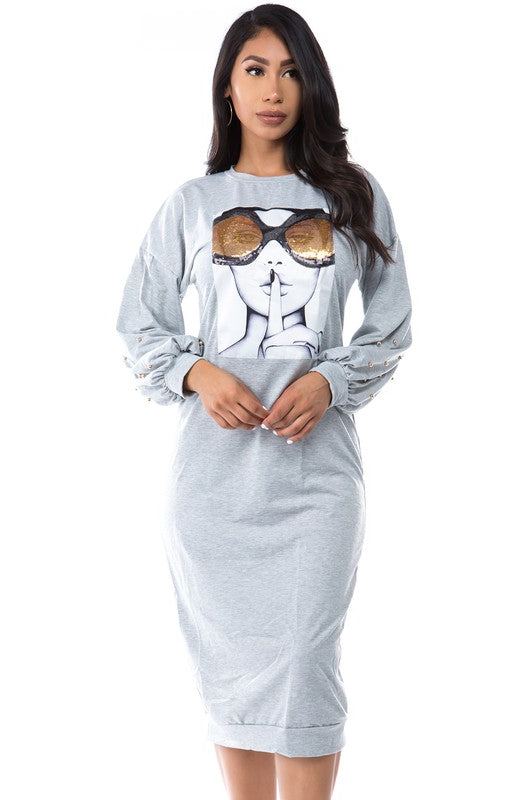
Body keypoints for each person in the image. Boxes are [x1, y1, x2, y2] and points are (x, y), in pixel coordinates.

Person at [115, 5, 413, 799]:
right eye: (254, 70)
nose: (272, 89)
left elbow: (390, 324)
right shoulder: (192, 202)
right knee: (229, 669)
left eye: (289, 71)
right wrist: (197, 373)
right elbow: (139, 323)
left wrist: (329, 380)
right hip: (212, 484)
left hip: (316, 481)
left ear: (311, 85)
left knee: (304, 665)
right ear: (227, 87)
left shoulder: (352, 195)